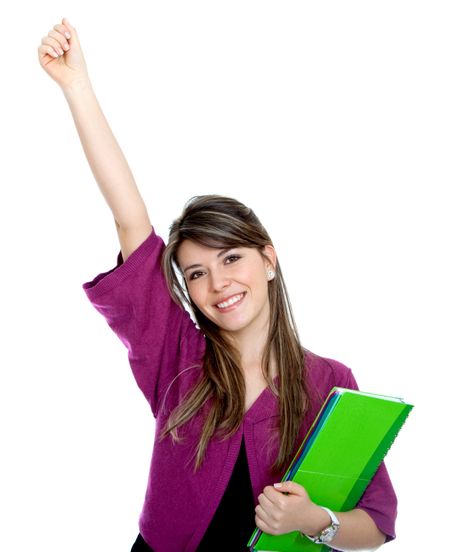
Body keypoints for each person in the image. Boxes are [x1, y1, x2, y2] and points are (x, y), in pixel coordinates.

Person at [38, 18, 398, 552]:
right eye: (197, 272)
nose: (219, 283)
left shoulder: (330, 381)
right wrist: (77, 86)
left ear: (269, 259)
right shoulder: (176, 356)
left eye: (232, 258)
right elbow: (130, 221)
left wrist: (313, 518)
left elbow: (376, 525)